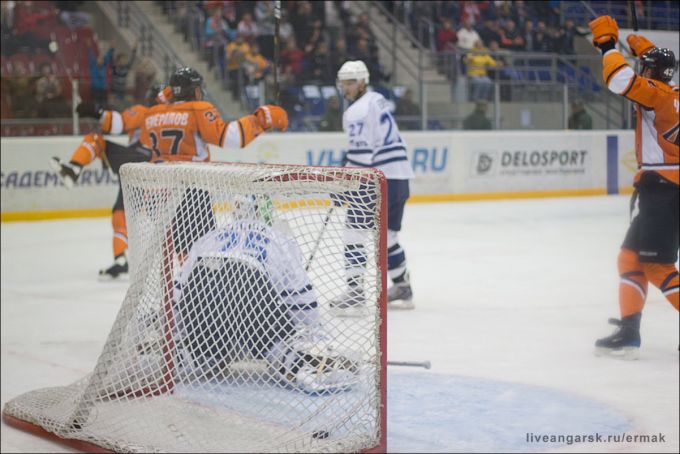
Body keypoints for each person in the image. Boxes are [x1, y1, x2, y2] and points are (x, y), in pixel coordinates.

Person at [173, 194, 360, 393]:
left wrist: (179, 330)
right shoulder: (281, 239)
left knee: (205, 346)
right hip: (250, 290)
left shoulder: (210, 237)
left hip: (202, 290)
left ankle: (192, 355)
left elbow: (179, 290)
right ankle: (297, 364)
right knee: (278, 342)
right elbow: (301, 300)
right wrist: (313, 335)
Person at [589, 16, 679, 359]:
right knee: (630, 257)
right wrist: (647, 51)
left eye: (646, 68)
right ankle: (629, 330)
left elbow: (619, 80)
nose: (643, 71)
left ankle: (629, 331)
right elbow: (658, 80)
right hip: (665, 187)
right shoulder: (672, 93)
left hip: (663, 188)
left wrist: (608, 45)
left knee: (657, 266)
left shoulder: (656, 95)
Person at [49, 84, 166, 279]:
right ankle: (121, 260)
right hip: (158, 174)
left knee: (96, 139)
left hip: (137, 162)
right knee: (122, 213)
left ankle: (74, 169)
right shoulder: (174, 117)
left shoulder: (145, 112)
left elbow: (118, 123)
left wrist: (98, 112)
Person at [331, 60, 415, 312]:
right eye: (344, 83)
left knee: (353, 232)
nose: (346, 88)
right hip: (400, 176)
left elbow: (362, 157)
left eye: (351, 82)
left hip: (377, 180)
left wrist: (343, 185)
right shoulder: (378, 99)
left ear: (362, 82)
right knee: (388, 236)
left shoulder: (355, 111)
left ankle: (355, 292)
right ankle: (402, 286)